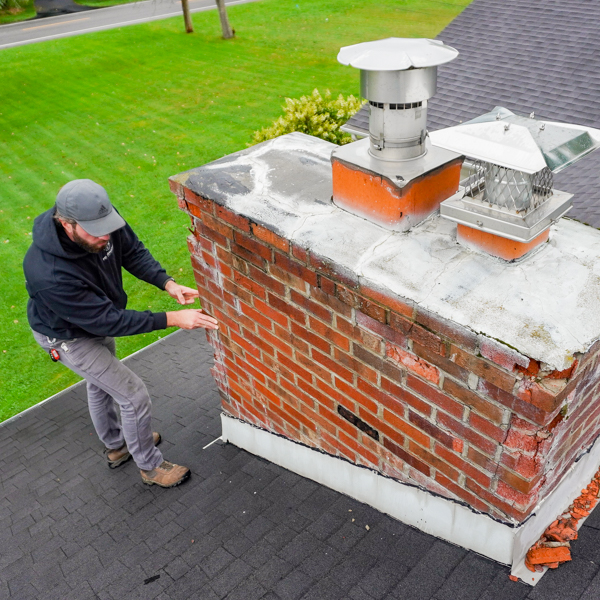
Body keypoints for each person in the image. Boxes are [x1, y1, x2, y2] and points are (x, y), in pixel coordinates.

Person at [23, 179, 218, 488]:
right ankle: (150, 467)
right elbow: (108, 322)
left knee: (101, 386)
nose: (104, 235)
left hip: (96, 316)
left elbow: (132, 252)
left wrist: (167, 283)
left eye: (106, 227)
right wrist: (172, 319)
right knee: (133, 395)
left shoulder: (100, 219)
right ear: (66, 224)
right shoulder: (48, 272)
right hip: (67, 336)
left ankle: (118, 446)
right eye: (94, 231)